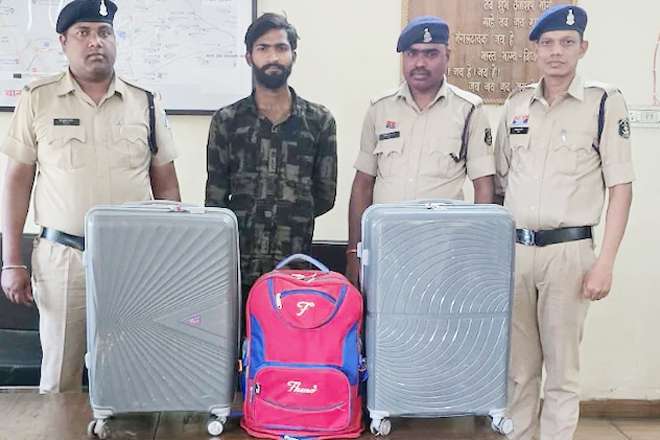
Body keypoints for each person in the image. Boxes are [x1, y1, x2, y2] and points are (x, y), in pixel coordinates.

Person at [0, 0, 180, 393]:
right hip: (64, 259)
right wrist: (11, 261)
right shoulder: (38, 99)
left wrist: (168, 262)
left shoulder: (145, 102)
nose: (95, 42)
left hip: (134, 260)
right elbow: (16, 183)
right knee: (59, 378)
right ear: (63, 42)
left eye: (104, 32)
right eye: (83, 33)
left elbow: (166, 186)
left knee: (131, 374)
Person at [493, 5, 634, 439]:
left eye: (567, 43)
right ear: (536, 50)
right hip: (517, 253)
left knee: (562, 372)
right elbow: (500, 184)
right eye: (548, 43)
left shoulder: (603, 102)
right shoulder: (516, 104)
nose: (557, 52)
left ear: (582, 48)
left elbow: (621, 188)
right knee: (518, 372)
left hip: (569, 254)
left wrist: (605, 262)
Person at [346, 16, 495, 286]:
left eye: (431, 54)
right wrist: (353, 253)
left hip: (444, 252)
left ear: (447, 56)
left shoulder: (468, 110)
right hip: (385, 248)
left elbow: (484, 187)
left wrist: (476, 251)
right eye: (412, 54)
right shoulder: (380, 108)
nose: (420, 63)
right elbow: (362, 185)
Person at [205, 13, 337, 297]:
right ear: (249, 57)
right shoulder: (227, 121)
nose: (273, 57)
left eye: (281, 48)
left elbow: (325, 196)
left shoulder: (319, 121)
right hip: (237, 271)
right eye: (263, 48)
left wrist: (289, 213)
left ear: (293, 55)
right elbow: (215, 200)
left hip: (296, 267)